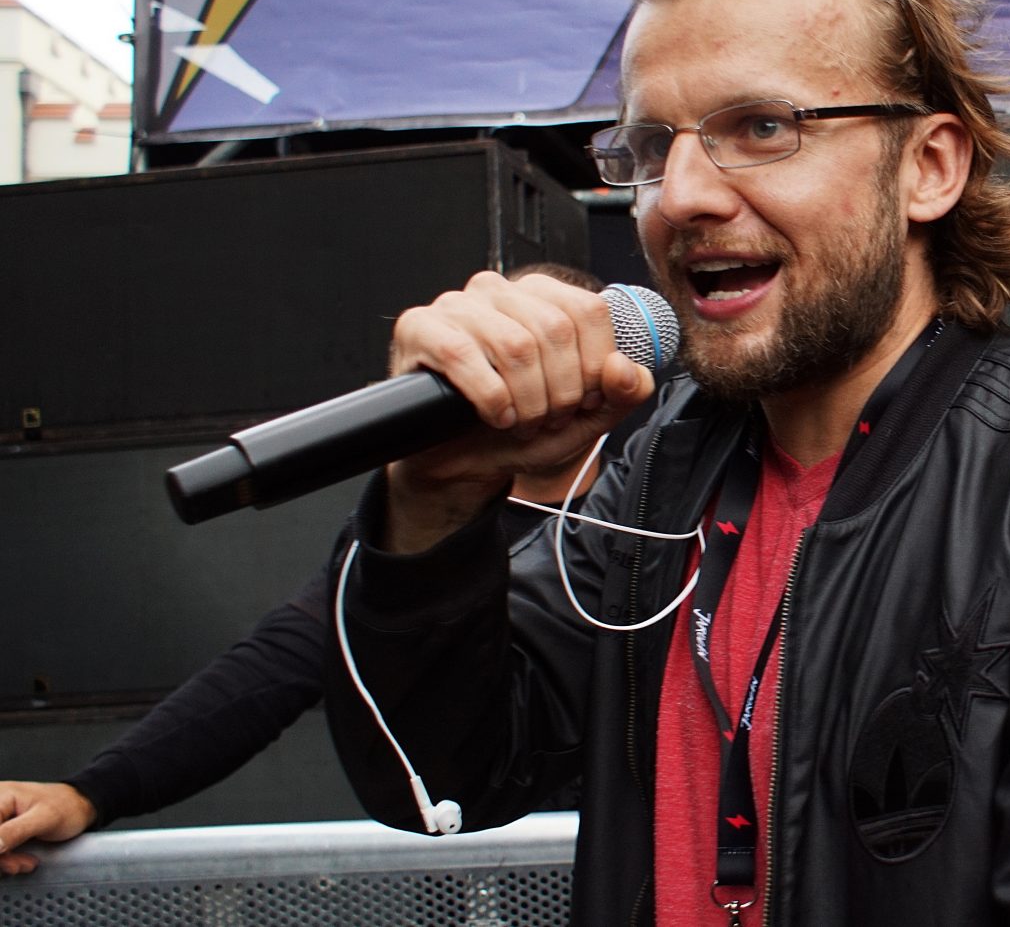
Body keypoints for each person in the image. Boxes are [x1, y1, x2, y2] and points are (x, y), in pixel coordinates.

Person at [323, 0, 1010, 925]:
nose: (681, 194)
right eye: (650, 145)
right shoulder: (666, 471)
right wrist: (435, 498)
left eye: (761, 127)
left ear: (928, 167)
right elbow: (439, 771)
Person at [0, 263, 612, 878]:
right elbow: (267, 670)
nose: (524, 379)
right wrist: (88, 793)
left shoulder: (641, 524)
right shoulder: (421, 540)